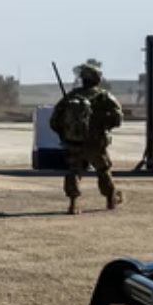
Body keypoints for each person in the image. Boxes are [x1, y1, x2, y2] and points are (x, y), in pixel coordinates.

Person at [50, 63, 125, 215]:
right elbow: (117, 118)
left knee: (74, 171)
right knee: (103, 170)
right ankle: (110, 199)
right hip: (95, 143)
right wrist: (102, 124)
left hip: (73, 142)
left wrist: (65, 135)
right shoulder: (103, 96)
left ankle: (74, 203)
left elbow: (54, 121)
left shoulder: (71, 97)